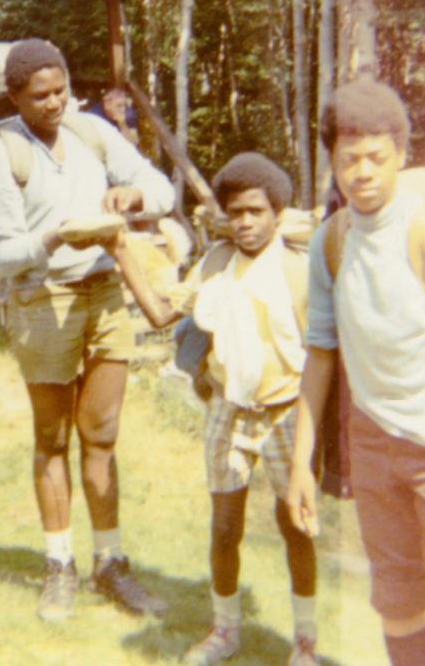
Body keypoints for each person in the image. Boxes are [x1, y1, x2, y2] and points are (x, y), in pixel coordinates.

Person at [0, 38, 174, 623]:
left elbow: (158, 188)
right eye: (40, 96)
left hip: (106, 290)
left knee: (103, 433)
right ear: (14, 97)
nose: (55, 103)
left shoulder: (92, 132)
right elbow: (5, 253)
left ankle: (111, 562)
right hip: (42, 297)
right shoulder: (0, 155)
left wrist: (132, 195)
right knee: (52, 438)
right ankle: (59, 564)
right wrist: (57, 237)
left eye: (61, 90)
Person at [114, 153, 319, 665]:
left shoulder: (299, 267)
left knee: (296, 525)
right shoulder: (217, 262)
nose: (246, 223)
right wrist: (119, 248)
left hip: (288, 411)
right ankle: (224, 630)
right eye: (236, 213)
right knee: (225, 528)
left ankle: (306, 642)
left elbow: (323, 353)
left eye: (257, 211)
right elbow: (163, 313)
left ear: (277, 212)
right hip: (230, 410)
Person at [286, 80, 425, 666]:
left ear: (402, 157)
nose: (362, 173)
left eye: (376, 159)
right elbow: (320, 354)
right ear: (331, 161)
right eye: (348, 159)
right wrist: (301, 465)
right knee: (396, 600)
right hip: (374, 447)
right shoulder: (330, 244)